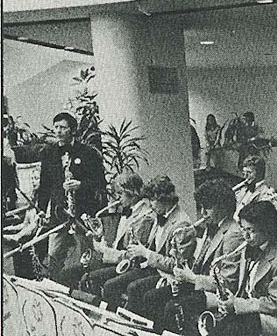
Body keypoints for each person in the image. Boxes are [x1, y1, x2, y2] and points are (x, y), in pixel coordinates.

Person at [204, 200, 277, 336]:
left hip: (271, 318)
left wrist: (237, 304)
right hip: (248, 313)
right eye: (243, 229)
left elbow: (276, 304)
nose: (245, 235)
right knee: (214, 334)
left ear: (267, 229)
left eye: (251, 230)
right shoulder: (246, 249)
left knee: (231, 334)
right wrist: (229, 300)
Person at [157, 179, 244, 336]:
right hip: (200, 285)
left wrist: (192, 278)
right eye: (201, 207)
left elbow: (228, 282)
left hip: (216, 294)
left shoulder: (233, 234)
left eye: (207, 207)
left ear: (222, 207)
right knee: (154, 297)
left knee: (172, 307)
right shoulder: (212, 227)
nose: (202, 213)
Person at [101, 175, 191, 312]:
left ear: (164, 199)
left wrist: (146, 253)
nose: (150, 205)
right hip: (151, 268)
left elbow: (176, 265)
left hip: (166, 276)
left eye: (152, 200)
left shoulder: (181, 223)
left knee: (134, 288)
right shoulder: (161, 215)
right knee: (111, 285)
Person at [36, 112, 107, 277]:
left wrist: (80, 185)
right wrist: (41, 210)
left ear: (73, 130)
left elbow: (100, 182)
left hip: (83, 214)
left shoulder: (88, 153)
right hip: (59, 213)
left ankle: (85, 285)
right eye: (56, 127)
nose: (58, 131)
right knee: (53, 256)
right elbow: (44, 185)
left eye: (63, 127)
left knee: (87, 255)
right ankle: (55, 286)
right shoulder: (49, 153)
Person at [73, 171, 156, 295]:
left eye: (121, 193)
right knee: (72, 272)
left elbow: (133, 256)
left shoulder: (145, 218)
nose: (117, 198)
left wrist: (104, 251)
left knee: (91, 279)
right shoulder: (127, 211)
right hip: (116, 260)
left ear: (132, 193)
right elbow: (116, 245)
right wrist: (98, 237)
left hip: (128, 265)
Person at [234, 155, 274, 221]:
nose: (245, 176)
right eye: (244, 173)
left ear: (259, 173)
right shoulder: (243, 189)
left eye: (249, 172)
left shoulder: (265, 193)